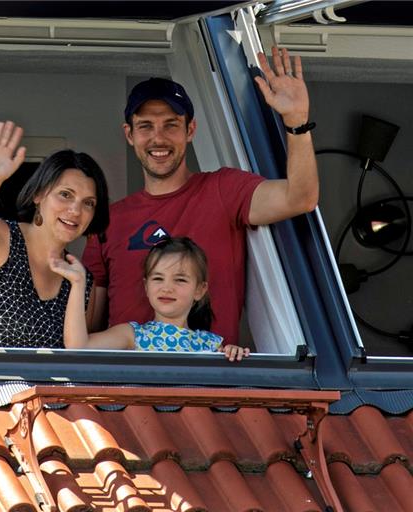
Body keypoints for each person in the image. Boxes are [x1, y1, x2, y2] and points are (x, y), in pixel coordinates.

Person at [83, 47, 319, 345]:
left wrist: (297, 122)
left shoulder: (223, 190)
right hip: (129, 384)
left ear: (190, 130)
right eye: (146, 126)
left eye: (171, 125)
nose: (158, 138)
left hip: (208, 382)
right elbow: (87, 331)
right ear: (129, 135)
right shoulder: (107, 220)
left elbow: (300, 197)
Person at [0, 121, 109, 348]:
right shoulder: (2, 235)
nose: (75, 210)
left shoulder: (81, 282)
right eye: (65, 194)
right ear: (38, 195)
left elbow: (79, 360)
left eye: (88, 203)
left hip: (34, 386)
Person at [52, 237, 249, 361]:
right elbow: (79, 346)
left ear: (200, 290)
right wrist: (78, 284)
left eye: (180, 279)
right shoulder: (132, 334)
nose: (167, 287)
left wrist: (233, 353)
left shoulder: (211, 345)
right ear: (146, 286)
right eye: (158, 278)